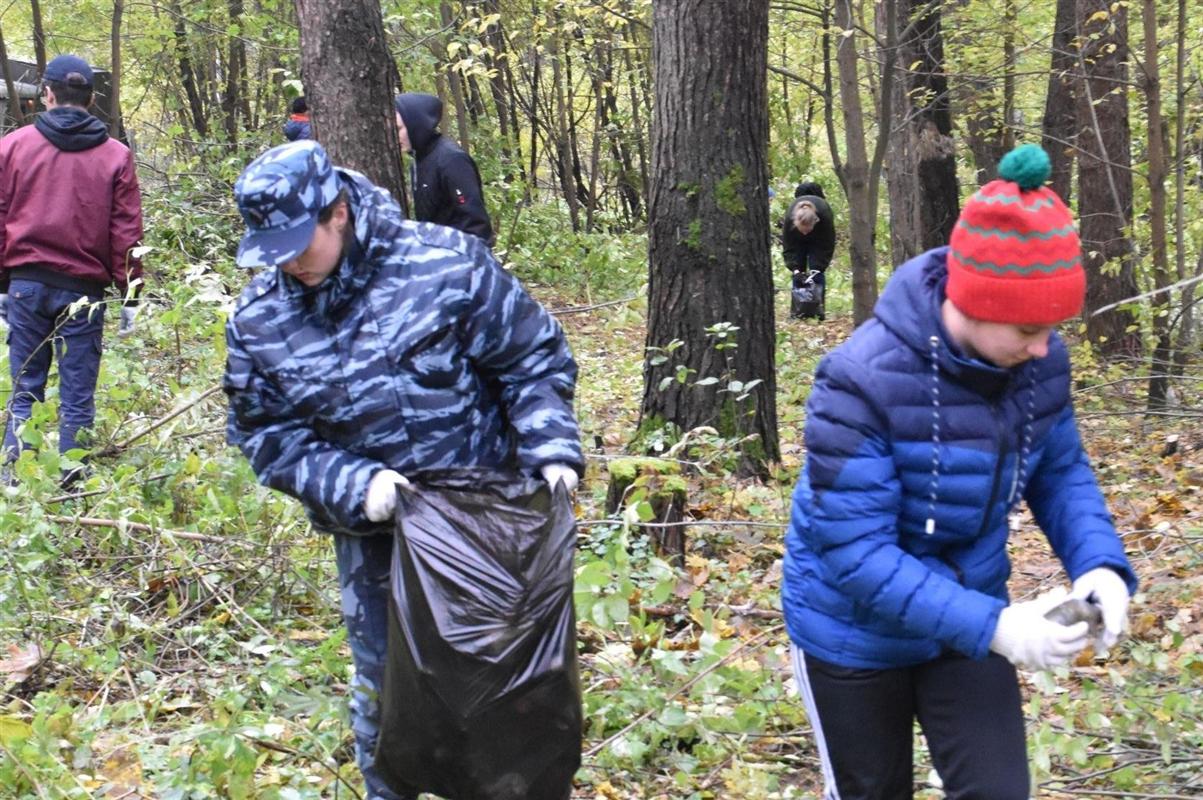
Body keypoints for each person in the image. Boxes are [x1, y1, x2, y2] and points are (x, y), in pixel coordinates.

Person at [223, 139, 582, 800]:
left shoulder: (444, 265)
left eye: (300, 243)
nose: (290, 264)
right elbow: (265, 434)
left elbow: (530, 363)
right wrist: (355, 486)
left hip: (489, 533)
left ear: (337, 212)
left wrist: (551, 450)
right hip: (376, 549)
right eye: (273, 251)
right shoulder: (261, 323)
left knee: (510, 699)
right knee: (390, 713)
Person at [781, 144, 1137, 799]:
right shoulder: (857, 382)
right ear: (973, 302)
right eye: (1028, 328)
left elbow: (1058, 472)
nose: (1041, 345)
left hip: (966, 613)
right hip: (852, 633)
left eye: (1051, 328)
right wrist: (997, 628)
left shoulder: (1035, 362)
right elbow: (856, 555)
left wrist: (1099, 565)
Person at [0, 54, 143, 481]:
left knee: (26, 389)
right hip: (86, 292)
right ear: (92, 97)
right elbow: (128, 232)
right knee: (77, 396)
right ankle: (73, 488)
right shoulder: (116, 155)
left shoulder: (11, 147)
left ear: (45, 95)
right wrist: (132, 295)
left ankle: (16, 486)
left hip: (26, 286)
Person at [393, 92, 493, 245]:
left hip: (461, 261)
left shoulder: (451, 160)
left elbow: (477, 225)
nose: (395, 136)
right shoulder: (419, 161)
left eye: (399, 129)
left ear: (415, 124)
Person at [782, 186, 835, 320]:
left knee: (816, 272)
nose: (805, 233)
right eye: (802, 230)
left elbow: (827, 244)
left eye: (808, 230)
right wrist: (795, 269)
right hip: (796, 240)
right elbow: (789, 247)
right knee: (798, 271)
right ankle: (797, 311)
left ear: (815, 222)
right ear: (796, 223)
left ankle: (818, 310)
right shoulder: (790, 220)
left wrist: (819, 267)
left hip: (819, 239)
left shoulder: (824, 217)